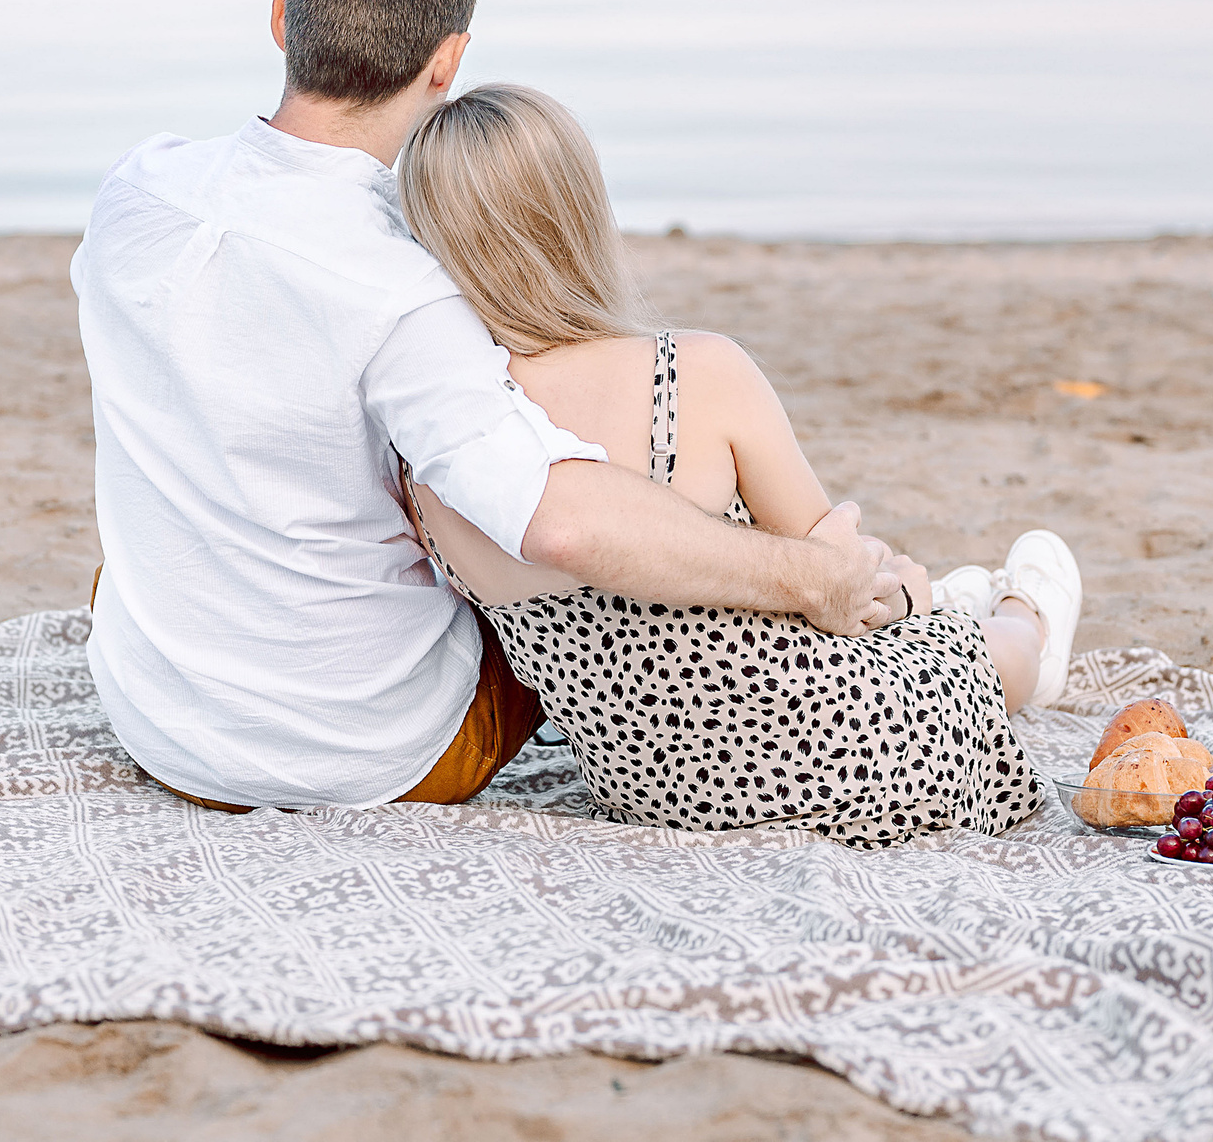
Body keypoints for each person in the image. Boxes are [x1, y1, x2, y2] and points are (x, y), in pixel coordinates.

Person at [72, 0, 906, 813]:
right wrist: (812, 576)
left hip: (162, 726)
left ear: (282, 19)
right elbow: (563, 527)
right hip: (373, 755)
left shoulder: (137, 188)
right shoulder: (406, 286)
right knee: (546, 528)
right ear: (449, 62)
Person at [396, 83, 1084, 846]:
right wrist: (909, 598)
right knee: (961, 649)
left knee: (920, 618)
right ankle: (1026, 615)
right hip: (876, 763)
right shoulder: (692, 372)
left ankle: (971, 607)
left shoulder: (430, 467)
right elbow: (846, 580)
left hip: (667, 801)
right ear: (579, 215)